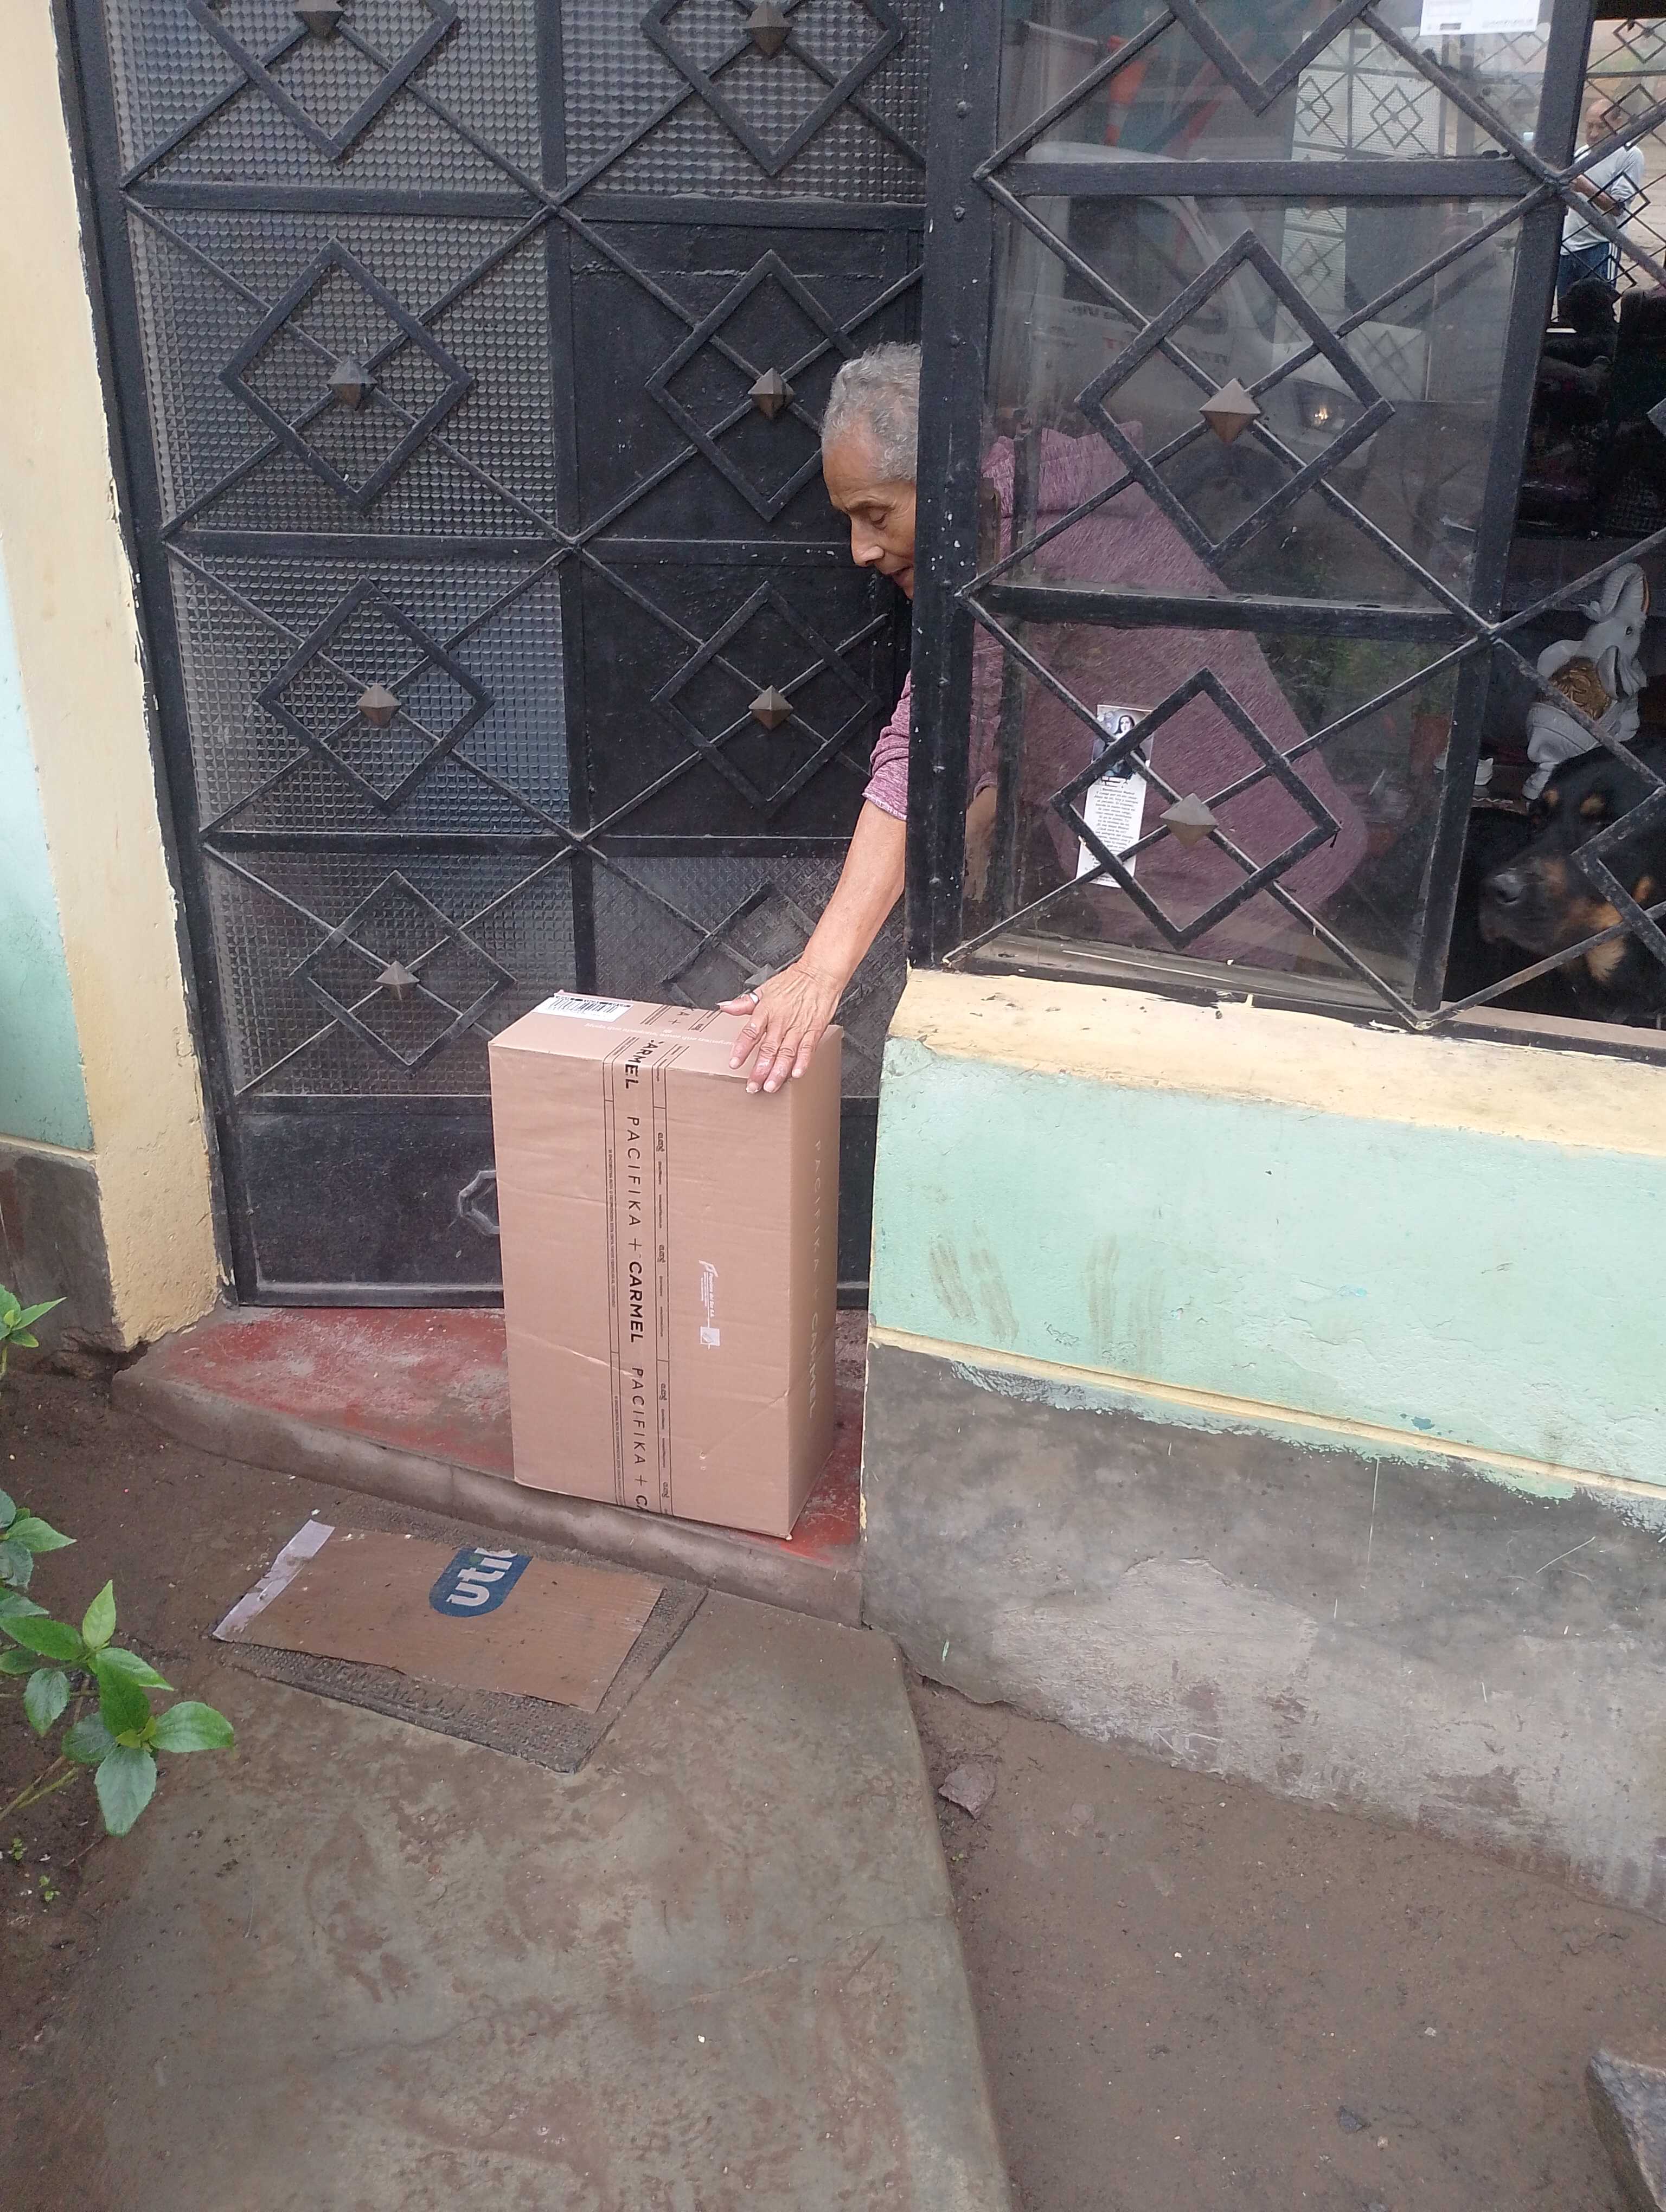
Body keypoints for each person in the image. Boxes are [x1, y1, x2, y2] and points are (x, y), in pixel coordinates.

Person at [722, 343, 1365, 1092]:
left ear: (945, 480)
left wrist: (819, 972)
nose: (861, 550)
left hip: (1249, 892)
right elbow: (1017, 716)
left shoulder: (1025, 543)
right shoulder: (1035, 501)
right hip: (1230, 873)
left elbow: (931, 745)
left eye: (876, 515)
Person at [1559, 93, 1644, 314]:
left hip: (1601, 244)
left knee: (1598, 313)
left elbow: (1617, 207)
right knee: (1566, 312)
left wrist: (1585, 187)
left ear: (1618, 124)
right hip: (1568, 245)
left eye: (1601, 127)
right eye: (1589, 126)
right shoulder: (1581, 154)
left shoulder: (1629, 155)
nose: (1594, 134)